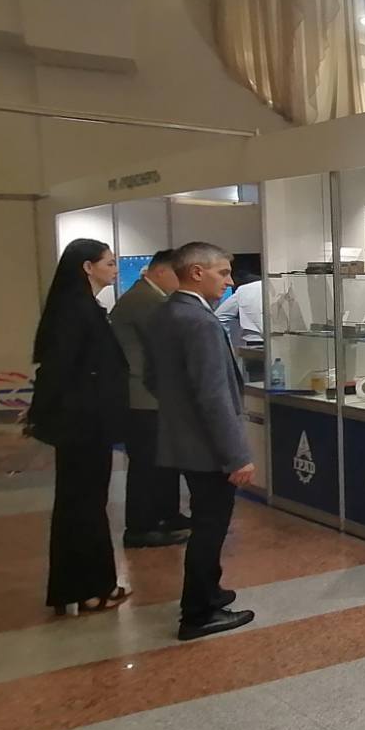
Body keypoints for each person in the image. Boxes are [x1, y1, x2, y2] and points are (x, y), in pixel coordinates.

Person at [145, 242, 256, 640]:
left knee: (207, 521)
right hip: (208, 446)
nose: (230, 282)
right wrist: (236, 455)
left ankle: (210, 591)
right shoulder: (200, 322)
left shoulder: (166, 313)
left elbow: (153, 378)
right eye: (222, 273)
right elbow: (213, 396)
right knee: (210, 527)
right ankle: (197, 612)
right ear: (196, 272)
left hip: (185, 439)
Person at [25, 238, 131, 613]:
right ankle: (89, 588)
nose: (115, 269)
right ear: (87, 267)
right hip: (83, 422)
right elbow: (61, 368)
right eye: (109, 262)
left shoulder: (81, 306)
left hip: (86, 419)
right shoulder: (76, 310)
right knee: (84, 504)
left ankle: (83, 586)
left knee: (83, 503)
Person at [108, 250, 191, 548]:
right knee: (146, 464)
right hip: (143, 397)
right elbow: (170, 345)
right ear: (160, 271)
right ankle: (141, 526)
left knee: (163, 461)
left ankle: (167, 515)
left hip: (153, 395)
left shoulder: (149, 297)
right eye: (177, 274)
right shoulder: (146, 301)